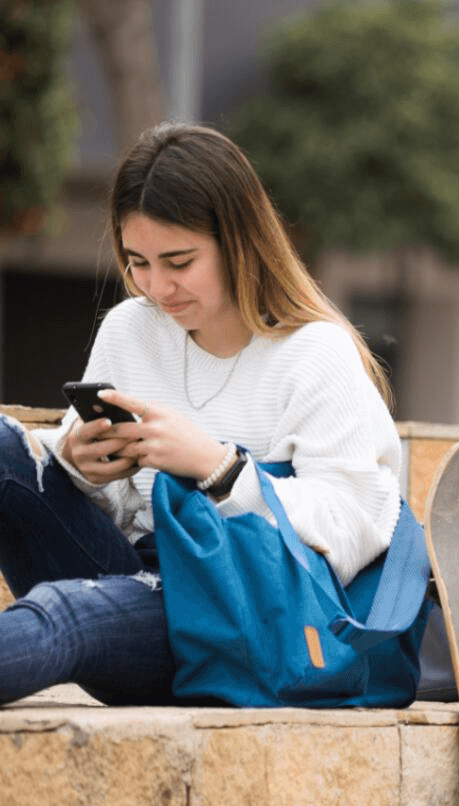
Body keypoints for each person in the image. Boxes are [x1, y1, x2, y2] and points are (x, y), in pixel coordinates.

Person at [0, 124, 404, 706]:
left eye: (179, 261)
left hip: (235, 615)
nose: (157, 286)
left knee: (67, 612)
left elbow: (355, 531)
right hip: (128, 576)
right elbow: (105, 513)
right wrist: (83, 465)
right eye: (138, 261)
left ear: (239, 242)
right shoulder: (131, 329)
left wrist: (220, 469)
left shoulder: (316, 353)